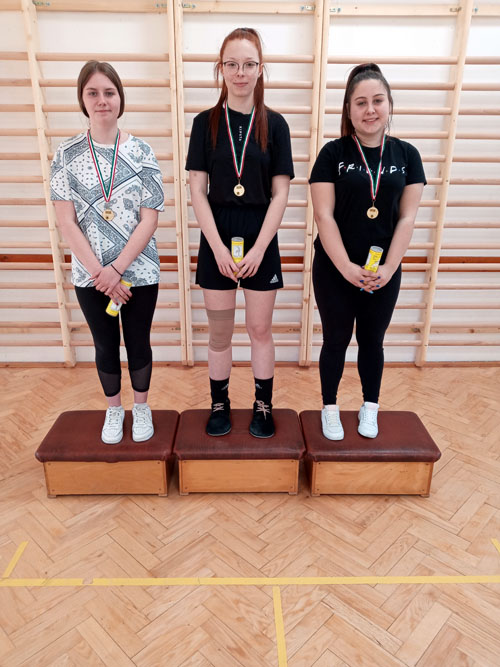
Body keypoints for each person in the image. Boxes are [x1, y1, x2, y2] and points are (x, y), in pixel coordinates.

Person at [186, 27, 294, 438]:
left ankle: (263, 405)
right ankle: (220, 403)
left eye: (249, 64)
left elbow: (281, 194)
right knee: (219, 333)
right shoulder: (204, 123)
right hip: (217, 235)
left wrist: (259, 249)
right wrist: (216, 248)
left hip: (260, 235)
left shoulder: (276, 125)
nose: (240, 72)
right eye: (232, 64)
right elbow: (197, 190)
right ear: (221, 68)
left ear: (260, 68)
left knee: (259, 330)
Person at [310, 63, 425, 440]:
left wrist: (389, 267)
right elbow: (324, 216)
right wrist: (345, 267)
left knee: (373, 340)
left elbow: (407, 218)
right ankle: (330, 408)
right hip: (334, 268)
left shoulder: (407, 155)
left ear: (389, 104)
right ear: (348, 109)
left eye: (378, 100)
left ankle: (370, 407)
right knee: (336, 339)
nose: (370, 109)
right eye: (360, 102)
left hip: (383, 271)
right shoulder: (332, 153)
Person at [50, 61, 164, 445]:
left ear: (120, 98)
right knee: (104, 344)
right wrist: (102, 273)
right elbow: (66, 222)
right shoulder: (65, 154)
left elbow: (150, 219)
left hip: (139, 271)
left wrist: (117, 268)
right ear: (82, 99)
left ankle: (141, 407)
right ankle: (114, 409)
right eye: (93, 93)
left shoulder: (142, 151)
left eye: (109, 92)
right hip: (91, 275)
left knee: (138, 341)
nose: (102, 100)